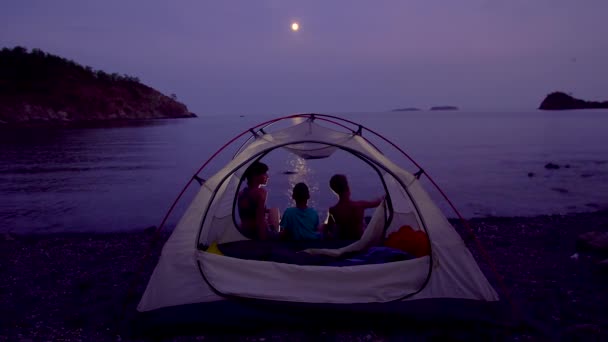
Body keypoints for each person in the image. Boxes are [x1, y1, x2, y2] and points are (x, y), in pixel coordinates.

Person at [324, 174, 384, 240]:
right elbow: (377, 203)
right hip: (359, 242)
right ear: (347, 188)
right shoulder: (359, 205)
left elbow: (327, 229)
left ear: (334, 191)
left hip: (343, 242)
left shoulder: (333, 210)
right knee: (367, 221)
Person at [237, 161, 274, 240]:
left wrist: (266, 211)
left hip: (243, 231)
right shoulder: (261, 193)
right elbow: (260, 221)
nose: (267, 176)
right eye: (264, 174)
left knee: (273, 211)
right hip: (255, 233)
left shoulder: (241, 193)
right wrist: (263, 241)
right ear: (255, 176)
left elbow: (248, 212)